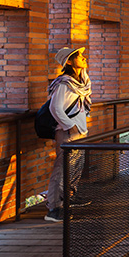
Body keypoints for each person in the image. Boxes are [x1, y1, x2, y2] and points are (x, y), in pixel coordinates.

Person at [44, 47, 92, 223]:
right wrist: (69, 126)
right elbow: (54, 107)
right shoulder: (64, 83)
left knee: (74, 167)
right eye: (79, 56)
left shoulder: (81, 82)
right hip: (68, 132)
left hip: (80, 131)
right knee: (61, 170)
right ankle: (53, 208)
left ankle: (69, 198)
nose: (84, 57)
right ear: (69, 62)